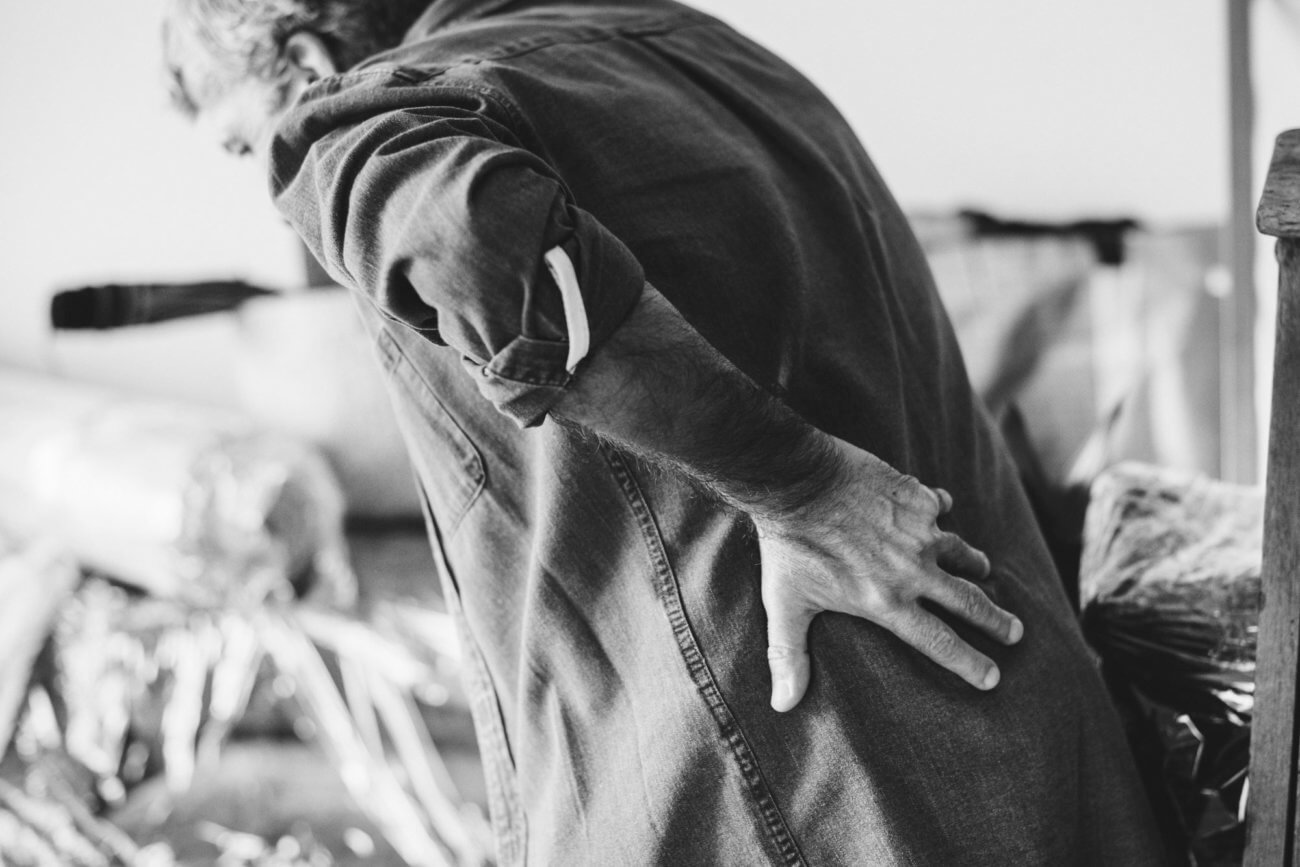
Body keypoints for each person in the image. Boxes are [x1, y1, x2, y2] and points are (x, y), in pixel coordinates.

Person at [162, 1, 1164, 863]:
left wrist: (801, 487)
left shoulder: (368, 119)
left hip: (812, 784)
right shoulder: (697, 48)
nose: (265, 175)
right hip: (1028, 744)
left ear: (305, 60)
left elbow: (463, 241)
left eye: (244, 143)